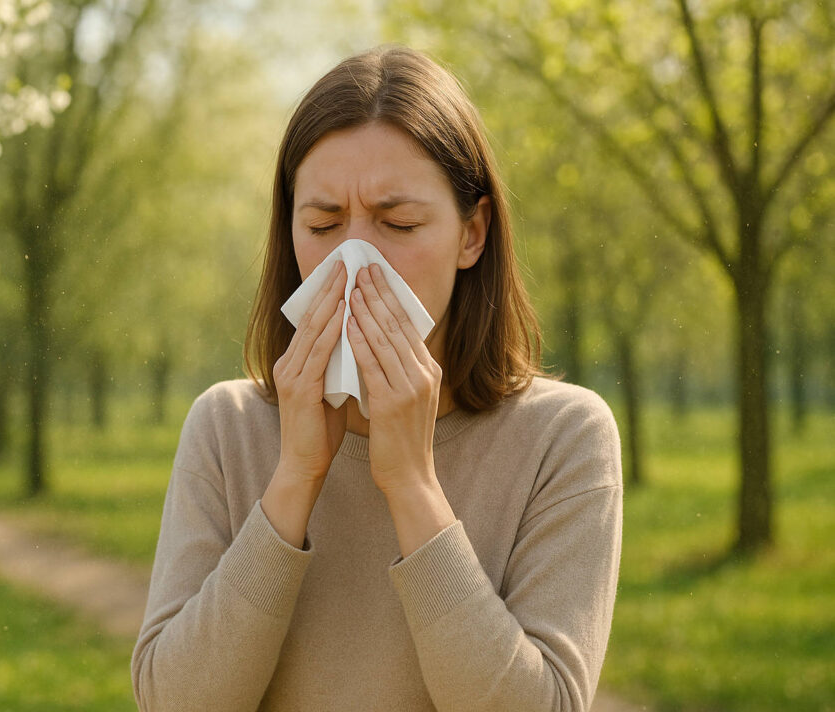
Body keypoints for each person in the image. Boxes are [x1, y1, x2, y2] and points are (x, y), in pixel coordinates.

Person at [130, 44, 622, 712]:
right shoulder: (227, 428)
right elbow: (176, 702)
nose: (355, 261)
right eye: (324, 223)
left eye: (398, 223)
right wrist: (295, 476)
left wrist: (413, 484)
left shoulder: (562, 438)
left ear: (471, 233)